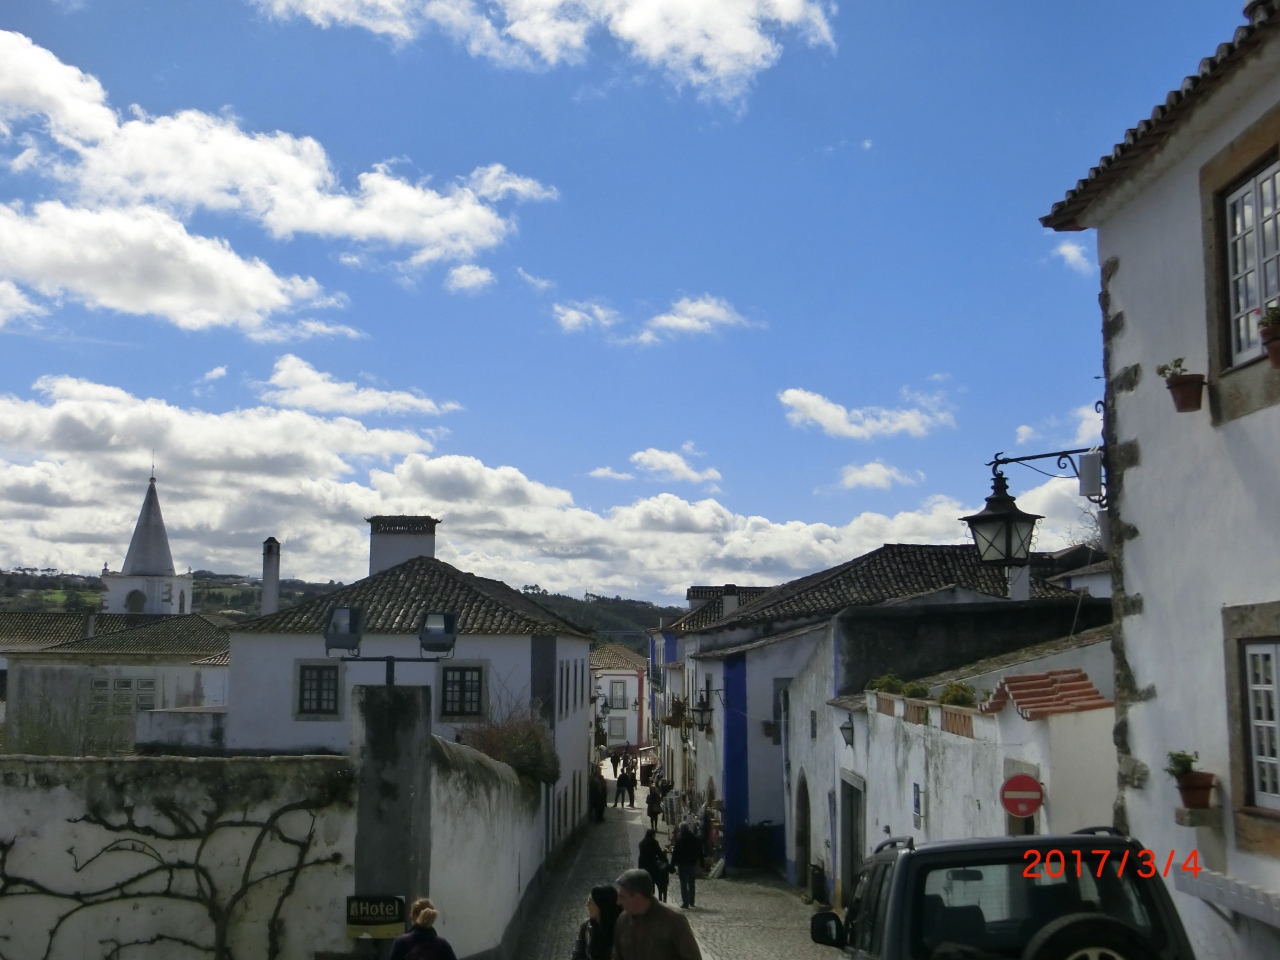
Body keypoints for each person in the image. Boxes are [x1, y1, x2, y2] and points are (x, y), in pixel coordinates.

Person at [612, 868, 701, 960]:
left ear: (638, 898)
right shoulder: (622, 920)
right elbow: (617, 956)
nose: (618, 902)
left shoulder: (673, 920)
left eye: (622, 897)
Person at [388, 898, 457, 960]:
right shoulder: (442, 945)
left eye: (411, 913)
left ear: (414, 915)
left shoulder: (402, 942)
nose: (409, 915)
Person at [572, 884, 621, 960]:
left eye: (591, 901)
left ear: (602, 904)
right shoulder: (586, 926)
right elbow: (577, 954)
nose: (587, 904)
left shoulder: (620, 929)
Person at [672, 824, 703, 910]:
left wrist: (672, 865)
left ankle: (685, 902)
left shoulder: (680, 839)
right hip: (692, 863)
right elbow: (700, 851)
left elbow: (675, 853)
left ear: (681, 829)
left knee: (683, 883)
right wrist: (702, 863)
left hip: (682, 864)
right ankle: (692, 901)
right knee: (691, 882)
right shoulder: (695, 838)